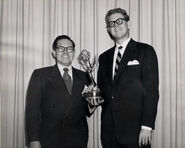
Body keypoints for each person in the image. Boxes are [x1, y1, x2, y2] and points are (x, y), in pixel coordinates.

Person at [97, 8, 159, 148]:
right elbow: (103, 92)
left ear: (128, 24)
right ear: (108, 30)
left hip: (136, 131)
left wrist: (147, 127)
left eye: (119, 21)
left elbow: (151, 92)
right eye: (111, 23)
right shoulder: (103, 57)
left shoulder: (145, 51)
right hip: (109, 132)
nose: (115, 25)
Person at [26, 35, 94, 148]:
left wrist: (93, 103)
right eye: (61, 48)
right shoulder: (40, 75)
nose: (66, 51)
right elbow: (32, 111)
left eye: (69, 48)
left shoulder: (84, 76)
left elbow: (86, 110)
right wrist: (33, 140)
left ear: (74, 52)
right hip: (50, 139)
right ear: (54, 52)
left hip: (78, 139)